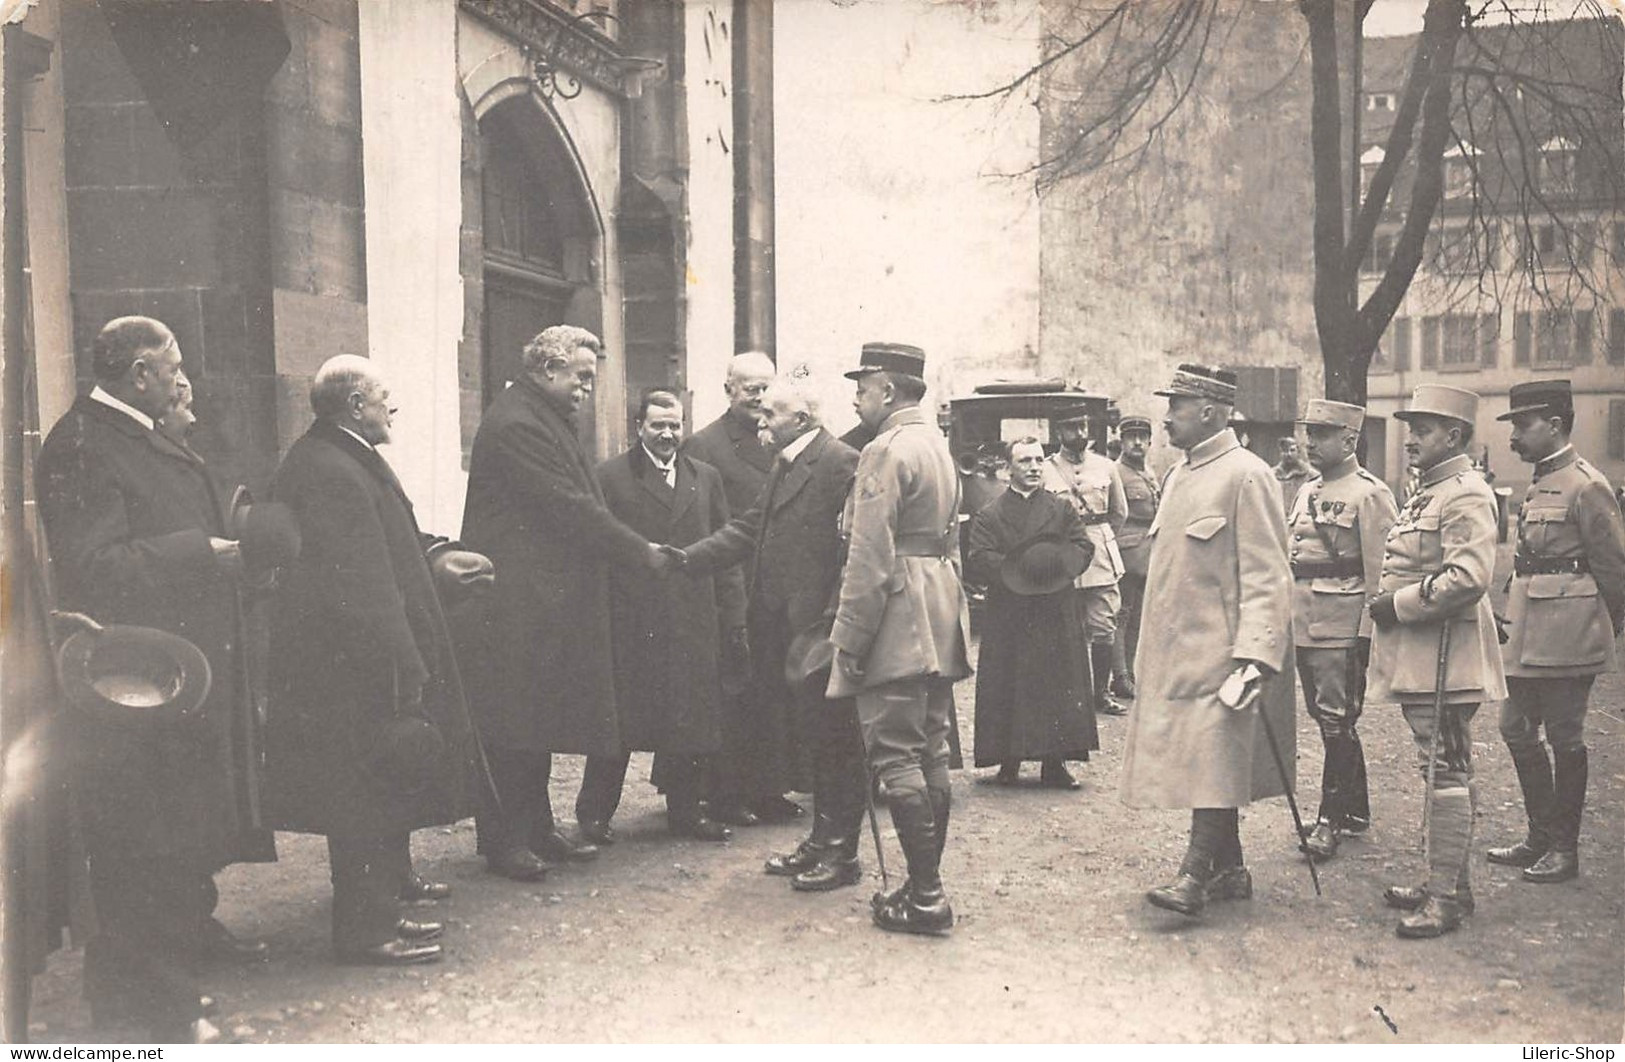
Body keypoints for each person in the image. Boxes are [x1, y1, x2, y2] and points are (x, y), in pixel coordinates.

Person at [35, 317, 273, 1042]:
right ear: (139, 372)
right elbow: (96, 567)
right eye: (172, 367)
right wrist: (203, 552)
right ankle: (142, 1016)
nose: (180, 378)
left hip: (174, 678)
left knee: (171, 845)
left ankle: (164, 998)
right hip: (131, 687)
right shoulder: (82, 444)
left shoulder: (135, 435)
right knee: (140, 851)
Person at [266, 356, 488, 965]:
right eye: (383, 397)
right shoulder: (334, 469)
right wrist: (407, 666)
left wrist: (438, 555)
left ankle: (382, 909)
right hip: (356, 674)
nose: (391, 408)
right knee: (360, 797)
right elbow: (362, 587)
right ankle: (366, 932)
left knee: (373, 792)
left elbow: (389, 546)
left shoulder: (344, 457)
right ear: (355, 403)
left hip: (358, 668)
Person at [460, 326, 666, 880]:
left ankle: (537, 827)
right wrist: (638, 550)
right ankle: (503, 841)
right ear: (547, 368)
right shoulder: (517, 425)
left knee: (535, 714)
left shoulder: (539, 414)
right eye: (580, 376)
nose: (586, 388)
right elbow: (570, 506)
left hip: (538, 597)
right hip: (514, 601)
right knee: (511, 720)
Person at [677, 372, 867, 891]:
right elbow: (748, 528)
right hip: (783, 630)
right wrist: (687, 559)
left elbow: (853, 554)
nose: (761, 419)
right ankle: (821, 841)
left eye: (771, 414)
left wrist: (832, 626)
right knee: (815, 741)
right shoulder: (786, 463)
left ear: (801, 420)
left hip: (818, 634)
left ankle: (841, 853)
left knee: (836, 745)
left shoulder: (839, 463)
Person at [1119, 364, 1293, 919]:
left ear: (1210, 412)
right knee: (1206, 761)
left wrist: (1256, 655)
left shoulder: (1247, 474)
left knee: (1214, 758)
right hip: (1176, 651)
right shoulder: (1177, 476)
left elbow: (1269, 573)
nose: (1167, 417)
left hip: (1223, 655)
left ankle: (1195, 874)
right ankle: (1230, 869)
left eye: (1177, 405)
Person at [829, 342, 971, 935]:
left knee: (895, 754)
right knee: (930, 749)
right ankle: (920, 886)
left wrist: (849, 642)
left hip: (896, 613)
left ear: (887, 391)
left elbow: (868, 558)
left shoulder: (884, 451)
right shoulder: (936, 443)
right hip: (937, 608)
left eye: (862, 386)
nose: (856, 397)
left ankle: (929, 896)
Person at [1367, 384, 1506, 938]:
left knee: (1445, 769)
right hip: (1425, 656)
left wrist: (1396, 606)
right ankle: (1449, 881)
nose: (1410, 440)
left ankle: (1446, 896)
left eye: (1422, 430)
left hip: (1449, 654)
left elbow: (1469, 578)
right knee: (1441, 766)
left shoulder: (1466, 492)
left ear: (1453, 435)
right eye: (1411, 429)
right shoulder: (1430, 492)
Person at [576, 390, 743, 843]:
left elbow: (725, 549)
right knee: (620, 723)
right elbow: (596, 550)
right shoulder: (610, 477)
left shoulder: (705, 478)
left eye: (675, 425)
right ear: (639, 428)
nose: (668, 434)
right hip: (633, 619)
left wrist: (732, 617)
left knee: (689, 720)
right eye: (658, 426)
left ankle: (686, 813)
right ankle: (593, 817)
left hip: (691, 619)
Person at [1486, 380, 1625, 884]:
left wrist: (1597, 632)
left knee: (1565, 737)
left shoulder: (1587, 484)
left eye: (1523, 426)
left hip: (1570, 636)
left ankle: (1564, 849)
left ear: (1556, 425)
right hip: (1527, 633)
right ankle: (1540, 835)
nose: (1514, 438)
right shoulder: (1542, 479)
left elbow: (1614, 572)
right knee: (1513, 727)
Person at [681, 351, 808, 825]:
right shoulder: (705, 445)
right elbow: (703, 522)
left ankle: (769, 787)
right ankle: (723, 793)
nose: (758, 397)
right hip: (730, 585)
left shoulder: (781, 438)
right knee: (733, 693)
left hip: (776, 586)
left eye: (765, 388)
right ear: (728, 389)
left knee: (774, 691)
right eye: (749, 388)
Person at [1287, 400, 1398, 862]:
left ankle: (1329, 820)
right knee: (1325, 717)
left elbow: (1383, 572)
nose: (1310, 442)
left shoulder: (1370, 494)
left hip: (1341, 621)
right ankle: (1355, 810)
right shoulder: (1305, 489)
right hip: (1303, 618)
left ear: (1349, 440)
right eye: (1309, 433)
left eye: (1322, 434)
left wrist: (1368, 635)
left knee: (1336, 719)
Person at [968, 437, 1097, 788]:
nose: (1034, 467)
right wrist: (1017, 570)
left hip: (1053, 607)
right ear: (1008, 468)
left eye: (1039, 460)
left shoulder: (1061, 509)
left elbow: (1083, 545)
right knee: (1008, 681)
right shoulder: (990, 513)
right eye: (1025, 461)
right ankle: (1007, 762)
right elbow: (978, 556)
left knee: (1056, 682)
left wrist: (1055, 565)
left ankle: (1055, 764)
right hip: (1010, 611)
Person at [1042, 406, 1129, 717]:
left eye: (1082, 427)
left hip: (1100, 557)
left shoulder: (1106, 466)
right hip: (1063, 555)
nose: (1079, 434)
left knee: (1104, 625)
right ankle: (1067, 695)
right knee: (1063, 626)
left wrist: (1098, 539)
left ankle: (1100, 694)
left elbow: (1119, 514)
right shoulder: (1046, 469)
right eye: (1071, 428)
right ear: (1058, 433)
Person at [1112, 415, 1159, 699]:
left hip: (1148, 553)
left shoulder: (1149, 472)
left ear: (1151, 442)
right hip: (1126, 552)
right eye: (1131, 437)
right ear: (1122, 440)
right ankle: (1119, 676)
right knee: (1121, 615)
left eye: (1143, 437)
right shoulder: (1116, 472)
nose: (1138, 442)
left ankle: (1129, 672)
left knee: (1138, 617)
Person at [1273, 435, 1315, 512]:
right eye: (1284, 451)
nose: (1288, 454)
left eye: (1292, 450)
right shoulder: (1272, 475)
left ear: (1298, 452)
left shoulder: (1311, 475)